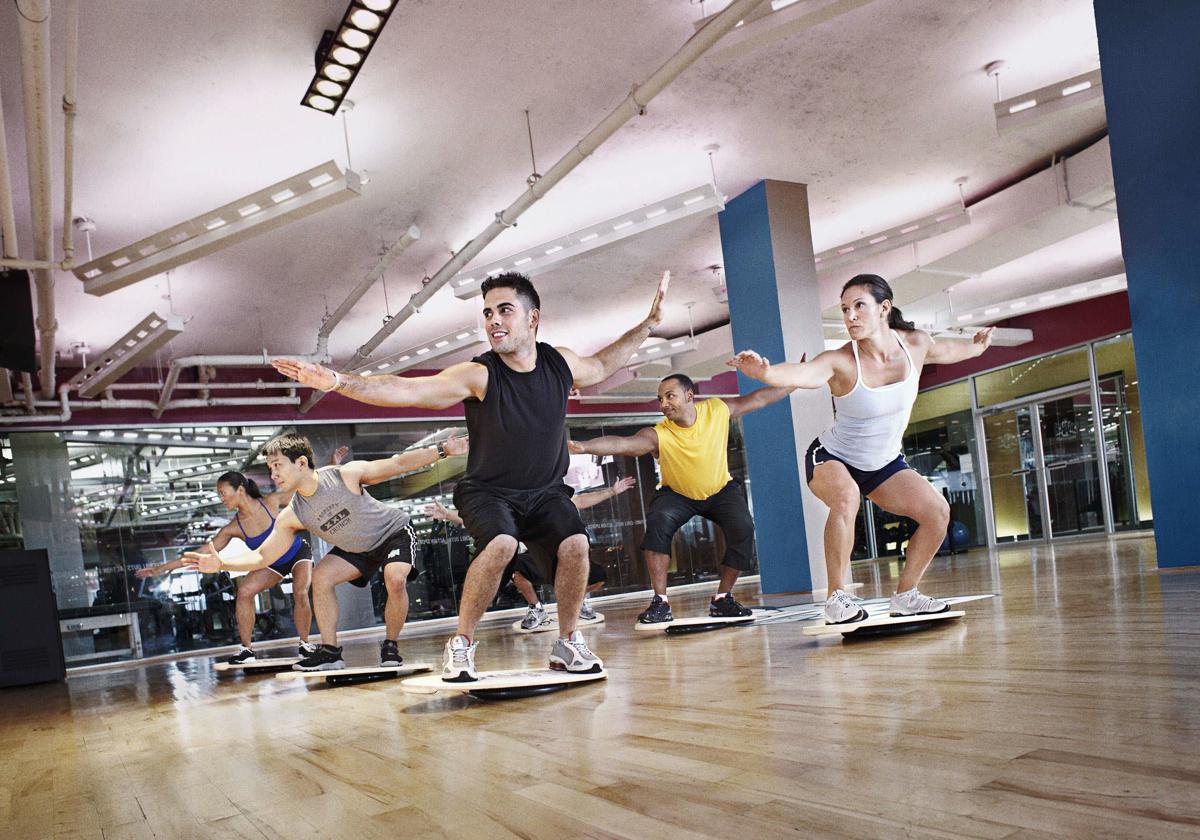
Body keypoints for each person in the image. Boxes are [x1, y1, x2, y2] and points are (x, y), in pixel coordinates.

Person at [272, 270, 669, 681]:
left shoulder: (559, 362)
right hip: (489, 492)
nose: (494, 320)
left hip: (546, 491)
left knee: (575, 545)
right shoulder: (480, 374)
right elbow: (407, 391)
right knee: (501, 543)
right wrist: (338, 381)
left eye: (504, 311)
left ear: (533, 318)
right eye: (488, 313)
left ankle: (567, 641)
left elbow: (603, 364)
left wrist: (649, 324)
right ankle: (460, 643)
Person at [728, 273, 994, 624]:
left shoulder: (914, 344)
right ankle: (836, 598)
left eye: (858, 306)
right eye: (844, 309)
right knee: (846, 497)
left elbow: (947, 350)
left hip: (883, 464)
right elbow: (805, 373)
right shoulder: (841, 361)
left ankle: (906, 595)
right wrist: (765, 373)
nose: (850, 316)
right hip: (831, 456)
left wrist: (977, 347)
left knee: (938, 513)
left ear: (884, 308)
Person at [183, 431, 467, 670]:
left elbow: (398, 463)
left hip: (392, 534)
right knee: (320, 577)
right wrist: (220, 563)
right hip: (355, 548)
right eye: (270, 468)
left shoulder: (345, 475)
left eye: (278, 465)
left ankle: (390, 645)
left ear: (302, 462)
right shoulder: (293, 514)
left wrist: (443, 450)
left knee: (395, 579)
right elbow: (262, 557)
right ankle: (330, 652)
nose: (273, 474)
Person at [568, 373, 795, 625]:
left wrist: (795, 380)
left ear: (689, 396)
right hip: (677, 494)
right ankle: (660, 603)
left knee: (743, 528)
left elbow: (759, 399)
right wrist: (584, 447)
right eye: (660, 399)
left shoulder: (716, 410)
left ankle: (722, 598)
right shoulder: (659, 434)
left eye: (669, 396)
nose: (663, 404)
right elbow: (624, 444)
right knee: (658, 523)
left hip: (720, 489)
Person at [136, 471, 315, 664]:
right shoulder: (233, 527)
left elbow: (309, 491)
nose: (220, 498)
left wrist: (332, 467)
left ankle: (304, 644)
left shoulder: (272, 501)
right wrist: (160, 569)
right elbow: (202, 551)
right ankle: (247, 650)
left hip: (297, 553)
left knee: (300, 592)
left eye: (223, 492)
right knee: (244, 592)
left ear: (240, 489)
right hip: (270, 563)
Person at [425, 475, 637, 630]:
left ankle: (576, 602)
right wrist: (447, 515)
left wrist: (611, 491)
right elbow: (478, 521)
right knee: (516, 567)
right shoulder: (502, 508)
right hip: (529, 560)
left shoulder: (546, 500)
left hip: (552, 557)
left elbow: (579, 502)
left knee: (597, 575)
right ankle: (536, 608)